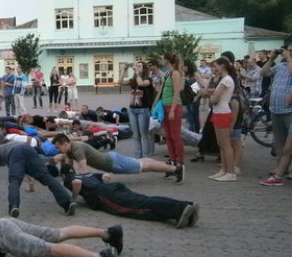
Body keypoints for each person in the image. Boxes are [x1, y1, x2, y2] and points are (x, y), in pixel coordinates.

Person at [0, 138, 76, 217]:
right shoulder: (14, 142)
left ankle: (13, 206)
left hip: (15, 153)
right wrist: (31, 187)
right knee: (47, 178)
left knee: (15, 181)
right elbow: (27, 169)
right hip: (29, 149)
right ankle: (68, 203)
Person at [64, 172, 199, 228]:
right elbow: (106, 176)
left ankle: (180, 209)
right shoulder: (85, 174)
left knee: (138, 207)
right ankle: (186, 211)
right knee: (143, 201)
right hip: (112, 187)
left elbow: (76, 183)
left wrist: (73, 199)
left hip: (104, 195)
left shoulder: (68, 179)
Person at [52, 135, 184, 183]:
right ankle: (167, 166)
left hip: (114, 163)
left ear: (65, 143)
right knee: (141, 162)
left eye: (59, 148)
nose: (58, 151)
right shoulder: (70, 150)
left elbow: (84, 171)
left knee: (144, 167)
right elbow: (69, 168)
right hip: (111, 159)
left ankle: (175, 169)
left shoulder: (77, 149)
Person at [259, 45, 292, 186]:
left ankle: (282, 172)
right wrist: (271, 58)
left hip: (289, 110)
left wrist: (289, 58)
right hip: (276, 109)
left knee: (288, 147)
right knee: (279, 143)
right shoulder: (281, 66)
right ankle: (281, 168)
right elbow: (264, 73)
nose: (287, 52)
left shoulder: (289, 64)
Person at [206, 58, 238, 181]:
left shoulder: (226, 80)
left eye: (216, 66)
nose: (215, 68)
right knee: (221, 144)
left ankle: (230, 172)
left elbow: (214, 98)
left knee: (226, 145)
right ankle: (224, 170)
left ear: (222, 66)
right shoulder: (224, 80)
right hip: (219, 112)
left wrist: (211, 97)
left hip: (223, 113)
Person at [158, 53, 185, 172]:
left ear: (167, 60)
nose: (161, 60)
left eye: (162, 58)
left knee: (175, 135)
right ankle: (172, 158)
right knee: (168, 135)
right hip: (165, 105)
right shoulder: (167, 73)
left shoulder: (175, 73)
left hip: (173, 106)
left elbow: (176, 92)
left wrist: (173, 110)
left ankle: (180, 161)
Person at [121, 61, 154, 158]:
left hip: (143, 110)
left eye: (139, 66)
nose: (136, 67)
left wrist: (136, 73)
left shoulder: (148, 80)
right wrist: (124, 71)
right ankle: (137, 156)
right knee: (136, 136)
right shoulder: (133, 80)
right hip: (132, 110)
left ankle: (146, 156)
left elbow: (141, 84)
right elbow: (120, 82)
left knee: (144, 135)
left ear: (144, 69)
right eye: (135, 66)